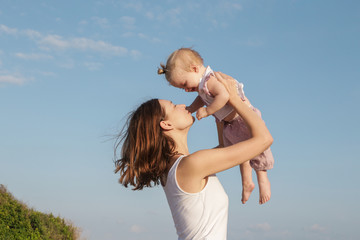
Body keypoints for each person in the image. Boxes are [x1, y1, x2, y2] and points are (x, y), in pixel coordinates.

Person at [114, 72, 273, 239]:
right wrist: (233, 98)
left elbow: (227, 146)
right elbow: (264, 139)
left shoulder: (180, 167)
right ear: (166, 124)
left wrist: (219, 109)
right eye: (174, 106)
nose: (183, 105)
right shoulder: (191, 165)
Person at [157, 48, 274, 204]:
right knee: (241, 151)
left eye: (185, 84)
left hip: (241, 119)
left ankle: (262, 176)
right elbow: (202, 98)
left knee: (256, 151)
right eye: (182, 88)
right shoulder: (202, 86)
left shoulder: (210, 80)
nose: (186, 90)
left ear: (194, 68)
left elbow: (225, 95)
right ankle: (247, 182)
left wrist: (208, 111)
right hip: (229, 123)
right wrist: (193, 108)